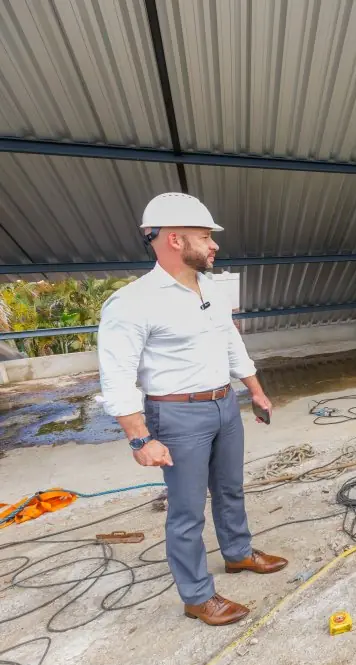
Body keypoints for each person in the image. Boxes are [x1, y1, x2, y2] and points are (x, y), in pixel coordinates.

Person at [98, 192, 287, 626]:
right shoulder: (132, 302)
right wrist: (140, 438)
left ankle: (237, 553)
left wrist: (254, 390)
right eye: (205, 236)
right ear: (175, 240)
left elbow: (231, 342)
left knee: (230, 489)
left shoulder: (213, 289)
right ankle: (198, 597)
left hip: (224, 405)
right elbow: (116, 377)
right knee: (186, 511)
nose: (214, 244)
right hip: (177, 417)